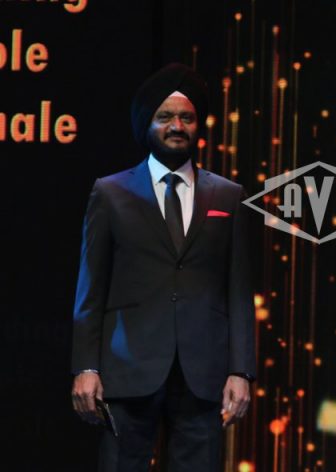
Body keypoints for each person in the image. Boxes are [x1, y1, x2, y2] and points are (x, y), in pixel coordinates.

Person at [70, 63, 256, 472]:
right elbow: (91, 289)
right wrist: (86, 366)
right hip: (127, 368)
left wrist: (241, 370)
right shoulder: (111, 193)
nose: (177, 126)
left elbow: (239, 291)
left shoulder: (229, 196)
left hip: (202, 373)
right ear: (148, 124)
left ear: (198, 126)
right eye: (165, 117)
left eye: (186, 118)